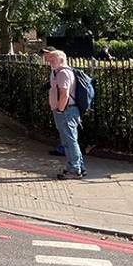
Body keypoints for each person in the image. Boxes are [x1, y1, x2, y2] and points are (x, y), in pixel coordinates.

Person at [44, 49, 85, 179]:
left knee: (69, 141)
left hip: (66, 111)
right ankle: (79, 167)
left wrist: (60, 110)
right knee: (70, 140)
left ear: (61, 60)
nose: (49, 62)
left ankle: (74, 169)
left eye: (52, 59)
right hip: (67, 110)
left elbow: (64, 94)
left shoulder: (63, 74)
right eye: (49, 59)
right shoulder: (60, 72)